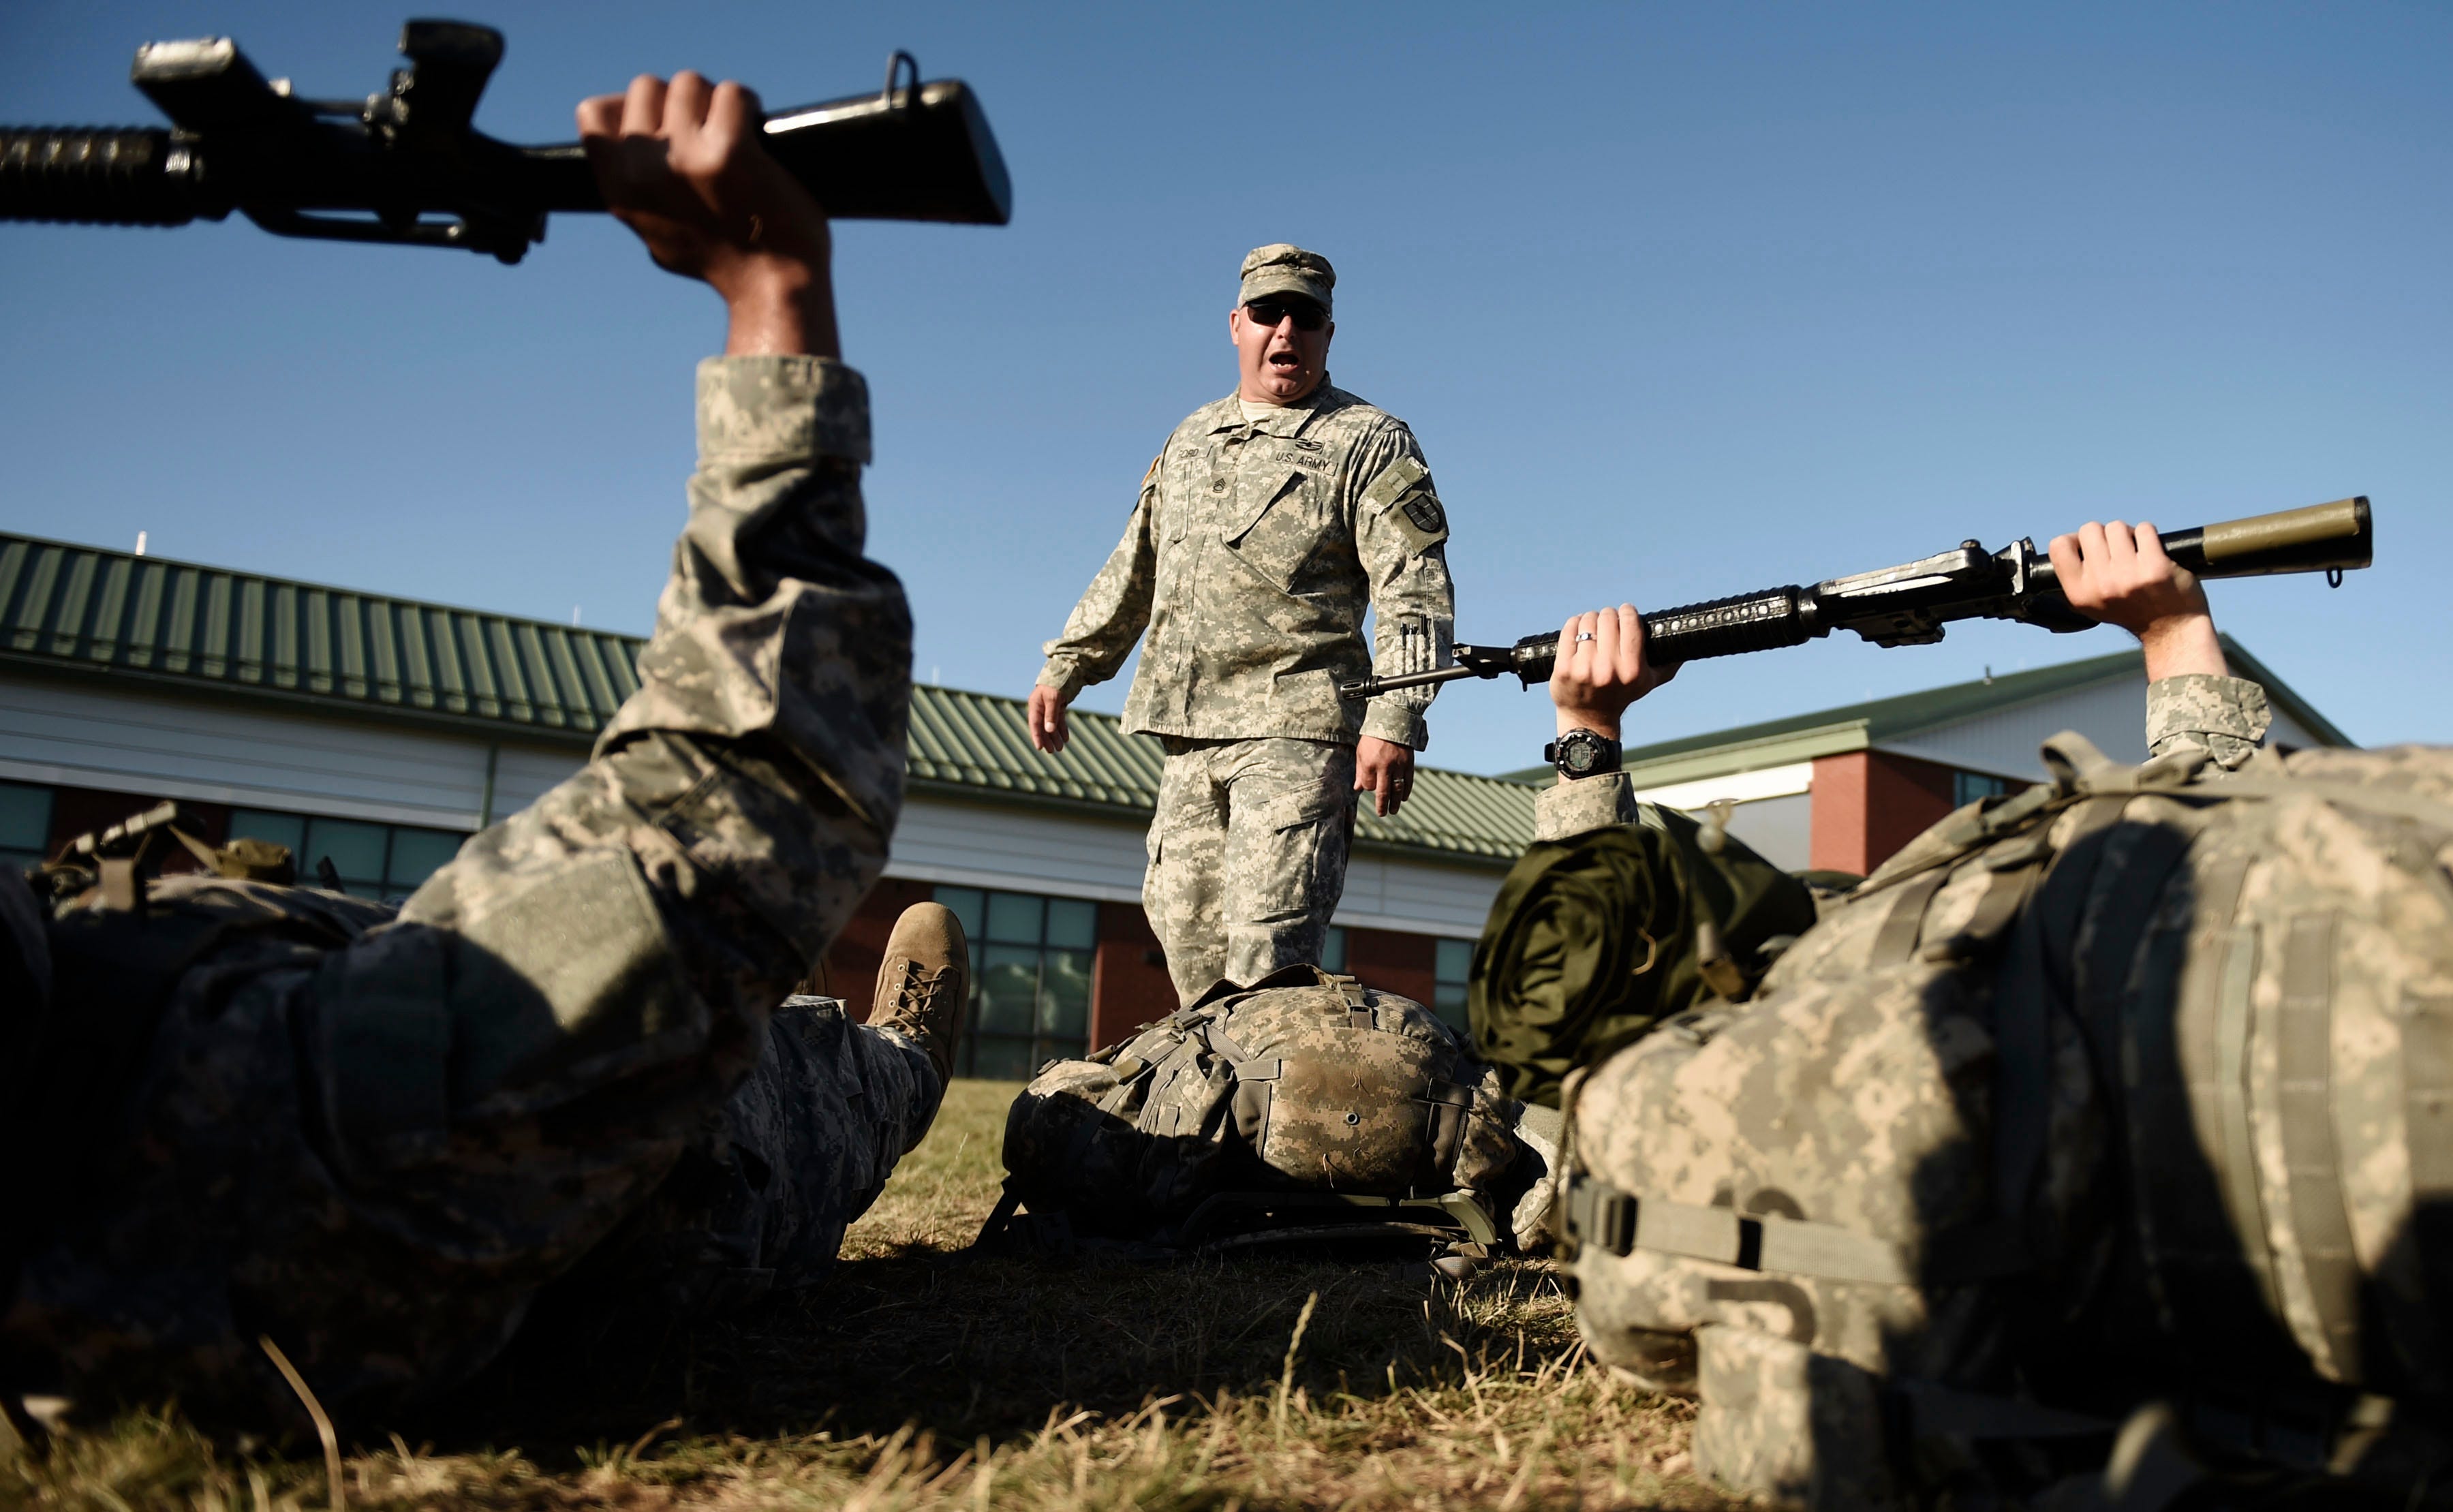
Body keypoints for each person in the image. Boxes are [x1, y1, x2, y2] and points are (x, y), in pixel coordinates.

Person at [0, 70, 968, 1430]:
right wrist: (770, 288)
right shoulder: (206, 1156)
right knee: (783, 1066)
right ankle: (898, 1058)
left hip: (213, 955)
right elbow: (745, 806)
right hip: (647, 1154)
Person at [1025, 245, 1457, 1004]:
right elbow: (1137, 565)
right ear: (1236, 325)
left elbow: (1414, 586)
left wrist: (1395, 714)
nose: (1286, 330)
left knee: (1267, 963)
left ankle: (1276, 1087)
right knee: (1191, 962)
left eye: (1306, 316)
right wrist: (1069, 663)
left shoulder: (1368, 439)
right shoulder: (1191, 439)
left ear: (1328, 333)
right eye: (1267, 312)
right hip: (1190, 736)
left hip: (1297, 733)